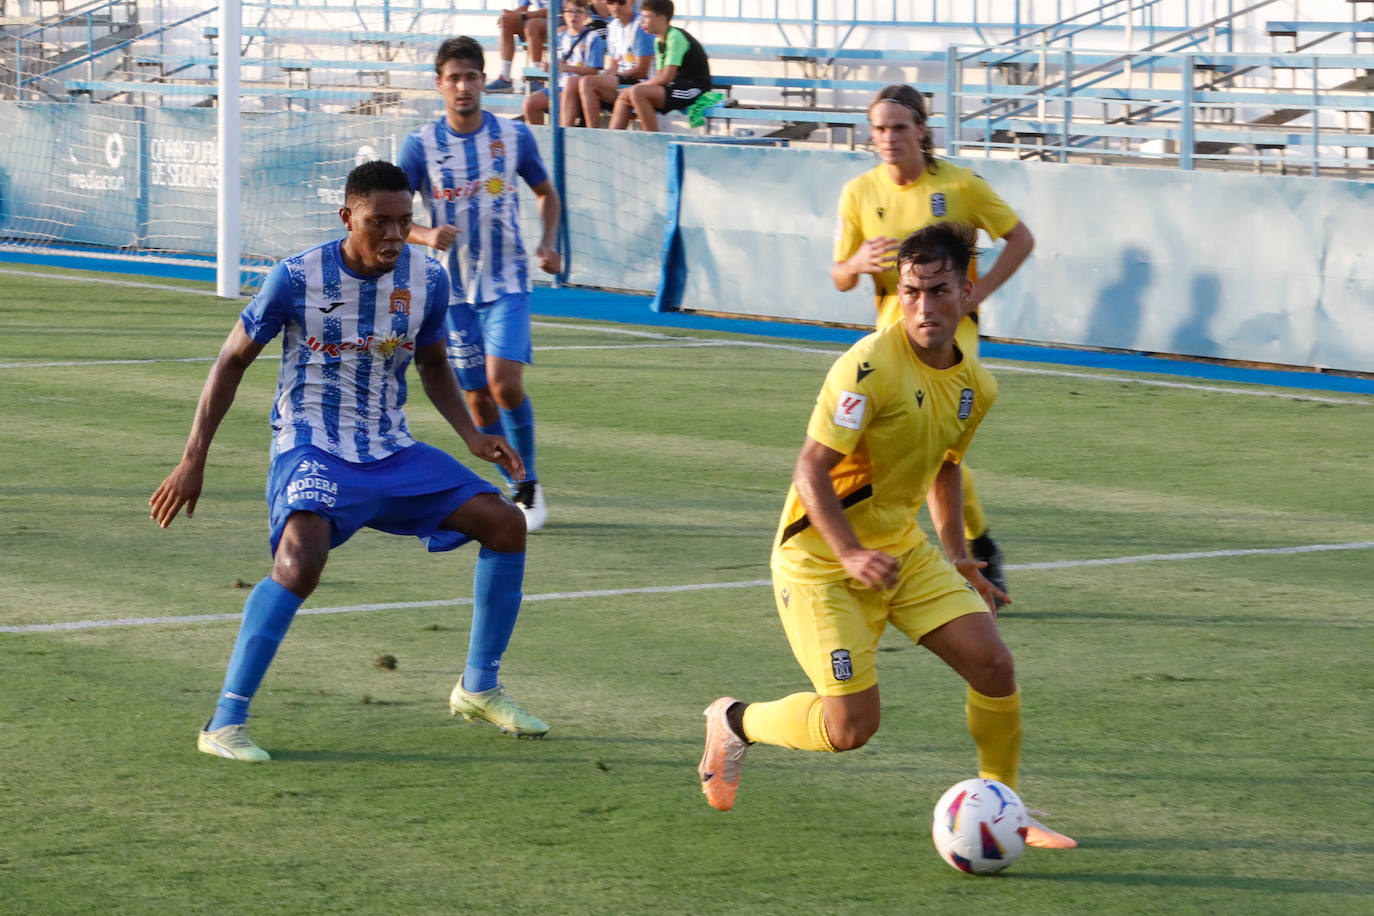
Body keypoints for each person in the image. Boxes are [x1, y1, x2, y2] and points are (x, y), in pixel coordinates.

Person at [151, 161, 551, 762]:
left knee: (505, 523)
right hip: (311, 443)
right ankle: (225, 722)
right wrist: (192, 459)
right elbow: (231, 360)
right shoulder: (295, 278)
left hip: (390, 446)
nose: (394, 234)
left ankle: (478, 686)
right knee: (299, 559)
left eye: (404, 221)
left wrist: (470, 435)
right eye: (378, 221)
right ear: (347, 218)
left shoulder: (427, 278)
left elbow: (434, 363)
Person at [697, 222, 1075, 850]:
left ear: (968, 291)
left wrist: (959, 555)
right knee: (850, 728)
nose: (923, 307)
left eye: (938, 290)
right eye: (910, 292)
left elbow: (947, 468)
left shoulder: (975, 385)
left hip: (899, 550)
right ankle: (735, 721)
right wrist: (848, 551)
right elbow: (810, 469)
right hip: (820, 561)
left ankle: (1004, 806)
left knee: (994, 663)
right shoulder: (866, 367)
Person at [831, 84, 1035, 605]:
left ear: (923, 130)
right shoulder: (859, 193)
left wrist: (976, 294)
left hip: (952, 337)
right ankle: (968, 542)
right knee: (919, 449)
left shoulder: (961, 188)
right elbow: (839, 276)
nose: (888, 138)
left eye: (899, 127)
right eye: (879, 128)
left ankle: (963, 548)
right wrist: (855, 264)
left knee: (934, 446)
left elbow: (1020, 237)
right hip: (890, 339)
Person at [401, 36, 561, 531]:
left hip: (508, 280)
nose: (463, 86)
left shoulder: (513, 138)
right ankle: (513, 480)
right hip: (451, 293)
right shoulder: (420, 145)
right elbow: (392, 215)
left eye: (471, 76)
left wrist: (549, 244)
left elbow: (545, 193)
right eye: (454, 78)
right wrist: (428, 233)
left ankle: (528, 482)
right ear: (439, 85)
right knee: (476, 400)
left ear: (484, 81)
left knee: (503, 384)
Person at [608, 0, 711, 132]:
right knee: (624, 98)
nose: (642, 21)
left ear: (661, 18)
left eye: (646, 17)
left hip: (693, 89)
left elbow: (666, 78)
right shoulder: (658, 40)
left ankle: (652, 141)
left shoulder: (675, 37)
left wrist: (637, 87)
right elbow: (660, 76)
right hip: (675, 87)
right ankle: (611, 141)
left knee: (636, 92)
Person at [523, 0, 606, 127]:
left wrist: (568, 68)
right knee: (530, 103)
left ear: (585, 15)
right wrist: (548, 67)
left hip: (579, 89)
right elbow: (557, 65)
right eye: (570, 12)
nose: (574, 16)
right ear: (564, 15)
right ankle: (542, 141)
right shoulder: (560, 38)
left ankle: (561, 139)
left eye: (579, 12)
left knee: (562, 99)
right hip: (559, 86)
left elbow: (594, 71)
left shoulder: (593, 38)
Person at [578, 0, 654, 129]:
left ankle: (592, 133)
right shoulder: (612, 26)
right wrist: (605, 78)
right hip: (622, 79)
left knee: (587, 82)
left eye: (621, 2)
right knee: (573, 85)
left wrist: (614, 76)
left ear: (631, 2)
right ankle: (569, 133)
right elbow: (613, 66)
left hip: (642, 82)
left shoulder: (641, 25)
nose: (615, 7)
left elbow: (642, 70)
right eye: (611, 2)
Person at [487, 0, 549, 92]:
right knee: (506, 21)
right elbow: (523, 8)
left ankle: (537, 78)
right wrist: (510, 15)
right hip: (537, 21)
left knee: (531, 25)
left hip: (560, 21)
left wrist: (523, 15)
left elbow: (554, 11)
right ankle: (505, 78)